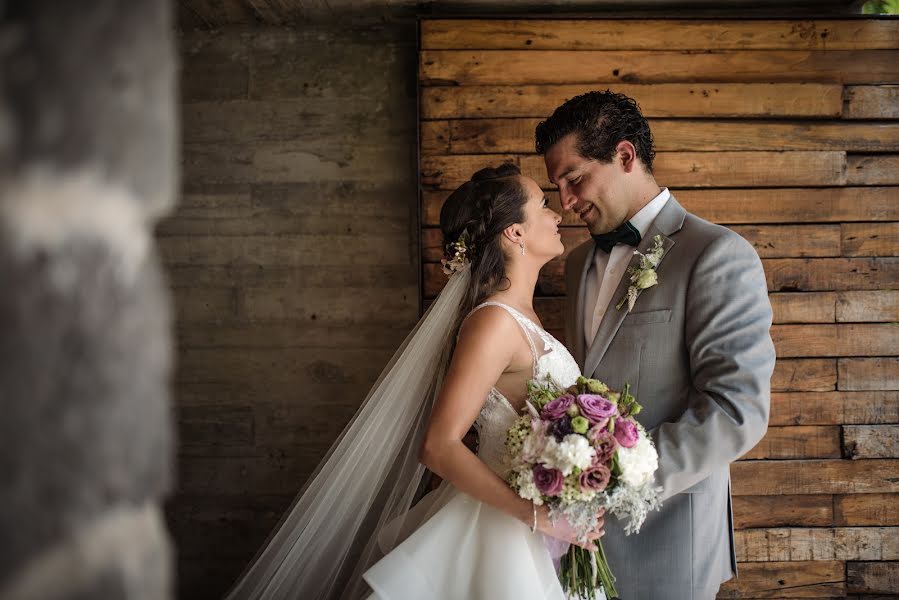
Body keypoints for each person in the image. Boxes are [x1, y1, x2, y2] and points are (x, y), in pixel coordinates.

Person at [223, 163, 604, 600]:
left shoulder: (523, 319)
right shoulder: (495, 323)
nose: (557, 215)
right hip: (503, 530)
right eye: (543, 205)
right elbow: (438, 445)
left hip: (536, 529)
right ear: (514, 232)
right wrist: (535, 516)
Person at [536, 90, 776, 600]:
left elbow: (736, 411)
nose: (566, 202)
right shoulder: (577, 263)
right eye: (556, 187)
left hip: (670, 538)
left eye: (574, 179)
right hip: (576, 546)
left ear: (625, 156)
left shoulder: (716, 254)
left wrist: (610, 483)